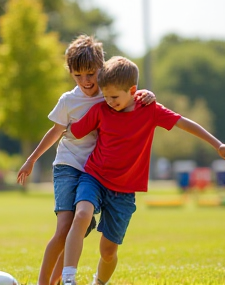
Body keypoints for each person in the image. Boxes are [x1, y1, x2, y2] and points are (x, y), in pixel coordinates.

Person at [62, 56, 225, 285]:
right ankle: (69, 279)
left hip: (124, 192)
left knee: (108, 251)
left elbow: (184, 122)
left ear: (133, 90)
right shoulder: (101, 110)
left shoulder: (150, 110)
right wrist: (61, 122)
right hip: (94, 177)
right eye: (105, 96)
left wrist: (217, 144)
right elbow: (71, 129)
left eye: (114, 97)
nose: (109, 101)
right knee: (82, 214)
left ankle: (98, 282)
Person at [17, 36, 156, 285]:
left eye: (90, 74)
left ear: (102, 67)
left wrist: (147, 93)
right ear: (71, 73)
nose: (85, 81)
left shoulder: (108, 94)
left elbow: (130, 93)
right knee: (64, 230)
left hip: (95, 173)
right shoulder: (68, 101)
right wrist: (32, 159)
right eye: (78, 75)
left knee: (78, 230)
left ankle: (57, 280)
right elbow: (55, 132)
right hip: (69, 166)